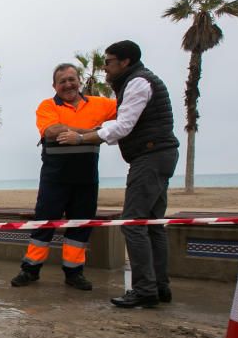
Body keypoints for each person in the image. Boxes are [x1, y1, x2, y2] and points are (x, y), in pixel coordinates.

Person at [57, 40, 179, 308]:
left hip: (150, 157)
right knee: (152, 224)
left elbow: (123, 126)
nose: (105, 68)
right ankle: (160, 286)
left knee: (133, 223)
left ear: (124, 62)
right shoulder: (137, 82)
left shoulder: (137, 83)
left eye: (109, 62)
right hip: (160, 154)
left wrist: (83, 137)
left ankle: (145, 289)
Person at [11, 64, 117, 290]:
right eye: (62, 81)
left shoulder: (101, 104)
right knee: (43, 224)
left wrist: (85, 134)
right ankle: (30, 270)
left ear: (80, 81)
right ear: (54, 86)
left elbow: (129, 111)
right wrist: (92, 134)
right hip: (54, 179)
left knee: (80, 227)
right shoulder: (47, 105)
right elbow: (52, 130)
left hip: (87, 180)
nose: (68, 84)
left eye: (72, 79)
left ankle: (74, 273)